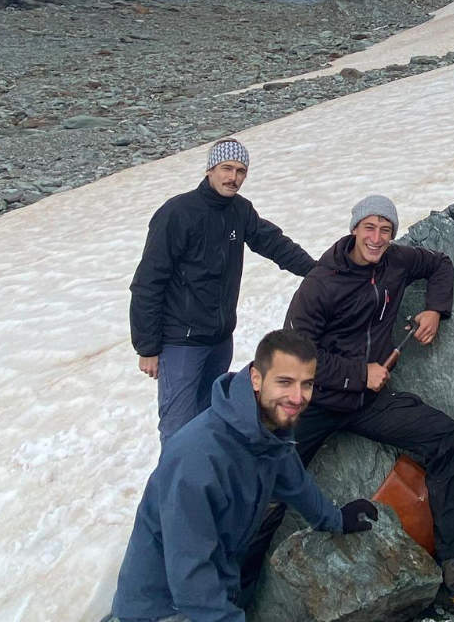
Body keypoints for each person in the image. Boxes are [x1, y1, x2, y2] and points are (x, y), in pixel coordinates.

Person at [111, 328, 378, 622]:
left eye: (307, 384)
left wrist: (335, 520)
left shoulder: (265, 431)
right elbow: (191, 579)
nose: (297, 396)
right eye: (285, 382)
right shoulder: (199, 456)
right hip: (165, 604)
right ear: (256, 378)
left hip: (186, 593)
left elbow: (292, 479)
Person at [251, 194, 454, 607]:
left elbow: (440, 264)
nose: (377, 238)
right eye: (369, 228)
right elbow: (296, 356)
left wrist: (434, 310)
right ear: (354, 229)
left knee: (444, 437)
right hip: (315, 403)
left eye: (386, 230)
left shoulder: (397, 261)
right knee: (266, 487)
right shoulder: (321, 282)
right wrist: (360, 373)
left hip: (366, 402)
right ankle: (234, 601)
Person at [129, 138, 316, 442]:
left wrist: (318, 271)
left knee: (210, 420)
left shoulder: (240, 211)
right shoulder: (178, 213)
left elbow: (273, 243)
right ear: (210, 170)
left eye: (241, 171)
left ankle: (208, 484)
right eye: (227, 168)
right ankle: (175, 488)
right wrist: (147, 347)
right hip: (182, 343)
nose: (234, 177)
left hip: (219, 340)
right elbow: (148, 282)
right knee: (178, 429)